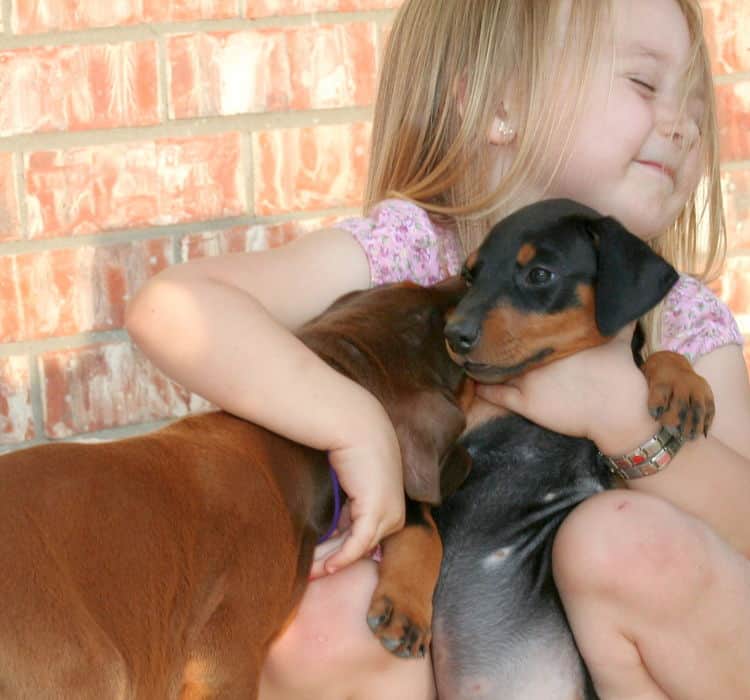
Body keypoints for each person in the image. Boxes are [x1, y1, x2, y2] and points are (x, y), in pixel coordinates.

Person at [125, 0, 750, 697]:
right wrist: (356, 427)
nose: (684, 122)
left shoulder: (681, 318)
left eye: (697, 99)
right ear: (501, 105)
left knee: (628, 544)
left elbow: (741, 534)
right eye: (644, 83)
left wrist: (621, 415)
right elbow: (175, 308)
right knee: (325, 620)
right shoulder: (413, 252)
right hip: (464, 635)